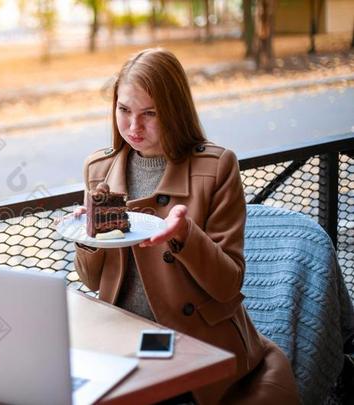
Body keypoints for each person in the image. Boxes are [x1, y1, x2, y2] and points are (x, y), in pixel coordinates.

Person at [73, 48, 300, 404]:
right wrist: (87, 237)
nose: (134, 127)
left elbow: (228, 284)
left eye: (150, 114)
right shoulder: (98, 170)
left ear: (175, 112)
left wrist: (184, 235)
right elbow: (92, 281)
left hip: (193, 345)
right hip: (122, 342)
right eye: (124, 110)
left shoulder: (216, 167)